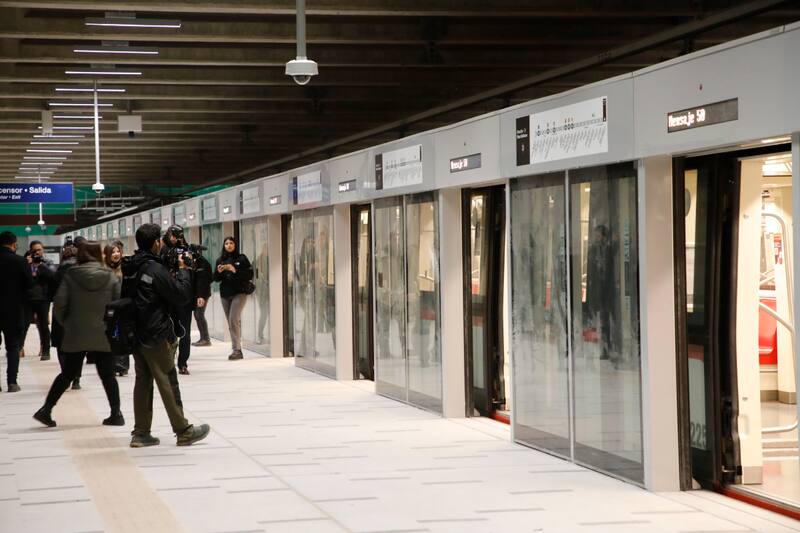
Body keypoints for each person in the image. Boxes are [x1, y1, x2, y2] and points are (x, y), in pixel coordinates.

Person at [123, 223, 209, 448]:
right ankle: (184, 431)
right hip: (156, 334)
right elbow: (180, 295)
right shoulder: (154, 269)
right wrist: (183, 270)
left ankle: (141, 433)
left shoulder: (132, 265)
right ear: (155, 243)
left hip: (136, 333)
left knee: (143, 382)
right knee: (168, 380)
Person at [33, 242, 124, 428]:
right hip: (102, 333)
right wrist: (109, 323)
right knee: (107, 374)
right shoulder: (110, 276)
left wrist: (68, 323)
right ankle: (116, 413)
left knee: (67, 373)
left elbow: (59, 304)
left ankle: (46, 410)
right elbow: (117, 304)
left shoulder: (71, 275)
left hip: (76, 332)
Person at [0, 231, 33, 392]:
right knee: (12, 346)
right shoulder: (20, 261)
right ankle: (12, 382)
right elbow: (29, 285)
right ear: (14, 244)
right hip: (13, 310)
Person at [160, 226, 195, 375]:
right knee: (169, 331)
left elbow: (196, 273)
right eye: (173, 236)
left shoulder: (186, 250)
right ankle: (168, 360)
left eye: (177, 236)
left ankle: (183, 363)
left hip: (184, 297)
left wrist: (189, 262)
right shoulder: (162, 250)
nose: (175, 239)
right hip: (168, 297)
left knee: (185, 332)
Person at [213, 236, 252, 361]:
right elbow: (215, 278)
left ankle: (237, 350)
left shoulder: (242, 258)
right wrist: (219, 272)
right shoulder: (220, 260)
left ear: (235, 245)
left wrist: (234, 270)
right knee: (231, 322)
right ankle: (236, 347)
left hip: (239, 293)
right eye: (226, 243)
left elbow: (249, 274)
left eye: (231, 243)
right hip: (225, 294)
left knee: (233, 319)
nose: (229, 245)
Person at [50, 242, 82, 390]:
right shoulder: (82, 273)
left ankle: (66, 374)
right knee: (79, 347)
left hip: (60, 314)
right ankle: (77, 378)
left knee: (61, 346)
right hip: (79, 314)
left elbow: (50, 294)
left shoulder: (57, 274)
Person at [25, 240, 56, 361]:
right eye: (35, 250)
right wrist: (27, 264)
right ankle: (19, 348)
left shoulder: (47, 263)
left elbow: (52, 275)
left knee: (43, 326)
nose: (37, 252)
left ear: (43, 250)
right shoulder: (26, 262)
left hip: (43, 299)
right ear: (30, 251)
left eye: (39, 250)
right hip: (28, 298)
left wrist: (40, 265)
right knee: (24, 324)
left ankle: (45, 350)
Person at [104, 242, 128, 376]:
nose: (116, 254)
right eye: (113, 252)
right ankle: (112, 364)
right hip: (109, 307)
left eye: (118, 251)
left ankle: (123, 365)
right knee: (110, 335)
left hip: (123, 306)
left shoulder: (125, 267)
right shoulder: (104, 270)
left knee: (123, 334)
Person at [191, 251, 213, 350]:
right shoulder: (197, 262)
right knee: (198, 315)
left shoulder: (203, 263)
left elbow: (203, 281)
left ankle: (205, 339)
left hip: (202, 294)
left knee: (199, 314)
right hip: (199, 294)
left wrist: (201, 296)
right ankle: (203, 338)